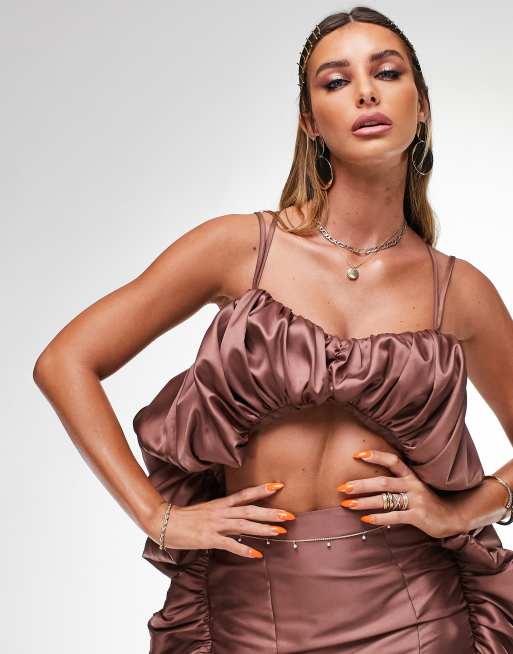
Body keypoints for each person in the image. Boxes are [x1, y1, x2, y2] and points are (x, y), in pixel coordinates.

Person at [33, 6, 513, 654]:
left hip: (419, 619)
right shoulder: (239, 248)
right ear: (310, 121)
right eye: (335, 81)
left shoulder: (458, 289)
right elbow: (65, 362)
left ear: (421, 105)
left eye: (387, 73)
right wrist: (156, 516)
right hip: (252, 618)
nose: (365, 92)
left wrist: (460, 511)